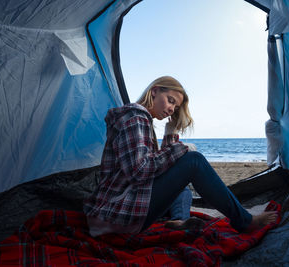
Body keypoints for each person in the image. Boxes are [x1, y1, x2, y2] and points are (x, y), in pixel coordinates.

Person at [83, 76, 278, 236]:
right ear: (154, 91)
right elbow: (140, 172)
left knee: (183, 190)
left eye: (175, 108)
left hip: (119, 210)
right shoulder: (135, 117)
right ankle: (245, 221)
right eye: (170, 101)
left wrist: (170, 133)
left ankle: (179, 220)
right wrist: (180, 150)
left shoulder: (142, 120)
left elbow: (158, 167)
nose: (171, 109)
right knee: (194, 161)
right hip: (116, 214)